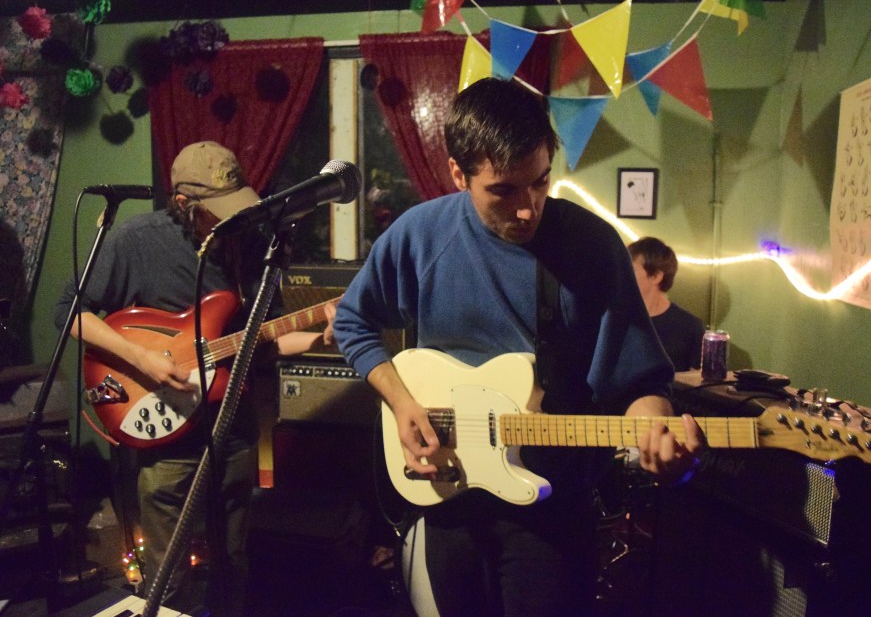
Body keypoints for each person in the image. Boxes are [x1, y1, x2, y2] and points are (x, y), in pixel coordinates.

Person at [333, 77, 705, 617]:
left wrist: (657, 431)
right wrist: (402, 402)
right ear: (458, 174)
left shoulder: (592, 246)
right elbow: (353, 321)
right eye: (503, 191)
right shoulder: (420, 235)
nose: (529, 209)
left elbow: (640, 383)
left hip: (554, 514)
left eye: (540, 182)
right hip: (449, 498)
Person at [54, 141, 334, 615]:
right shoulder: (137, 240)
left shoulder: (253, 247)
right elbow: (69, 312)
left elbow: (260, 341)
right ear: (183, 204)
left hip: (233, 429)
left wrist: (320, 338)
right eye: (217, 211)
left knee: (233, 563)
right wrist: (142, 359)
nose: (231, 220)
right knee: (168, 576)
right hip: (164, 434)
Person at [628, 237, 706, 371]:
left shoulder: (690, 326)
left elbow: (699, 379)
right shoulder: (613, 320)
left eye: (630, 270)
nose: (622, 275)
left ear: (655, 277)